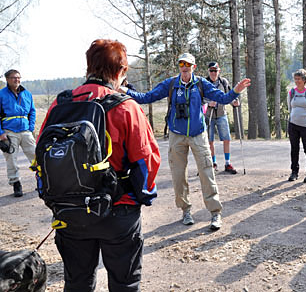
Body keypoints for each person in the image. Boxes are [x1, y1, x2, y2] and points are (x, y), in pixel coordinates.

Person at [39, 39, 161, 291]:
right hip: (118, 210)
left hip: (69, 212)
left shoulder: (60, 105)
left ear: (89, 67)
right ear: (120, 71)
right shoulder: (126, 107)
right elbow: (147, 160)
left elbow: (41, 157)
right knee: (125, 284)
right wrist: (143, 195)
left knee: (77, 282)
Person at [124, 53, 250, 230]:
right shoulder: (171, 84)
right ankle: (186, 211)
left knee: (207, 173)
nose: (184, 66)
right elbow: (147, 97)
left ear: (194, 67)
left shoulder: (201, 84)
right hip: (177, 136)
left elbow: (223, 98)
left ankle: (215, 213)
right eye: (181, 63)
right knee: (178, 175)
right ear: (178, 66)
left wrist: (236, 90)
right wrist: (125, 91)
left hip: (198, 134)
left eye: (188, 64)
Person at [0, 69, 36, 197]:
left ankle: (42, 179)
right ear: (7, 79)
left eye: (19, 77)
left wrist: (31, 127)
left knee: (36, 156)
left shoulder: (27, 94)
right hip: (9, 132)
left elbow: (32, 111)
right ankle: (16, 184)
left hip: (26, 131)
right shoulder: (1, 94)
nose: (17, 80)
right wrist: (1, 133)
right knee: (11, 160)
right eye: (14, 78)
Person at [205, 62, 239, 174]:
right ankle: (213, 164)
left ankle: (227, 163)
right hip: (208, 116)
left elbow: (228, 96)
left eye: (215, 71)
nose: (213, 73)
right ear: (208, 71)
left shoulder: (224, 82)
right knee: (209, 141)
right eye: (211, 71)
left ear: (219, 71)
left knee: (226, 139)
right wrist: (208, 103)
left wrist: (234, 102)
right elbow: (199, 100)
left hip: (221, 114)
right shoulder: (203, 83)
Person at [287, 69, 306, 183]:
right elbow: (290, 108)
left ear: (304, 80)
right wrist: (294, 118)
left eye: (299, 79)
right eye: (295, 79)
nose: (297, 81)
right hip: (293, 125)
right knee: (294, 149)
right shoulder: (292, 92)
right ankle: (294, 172)